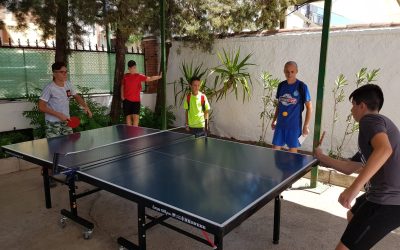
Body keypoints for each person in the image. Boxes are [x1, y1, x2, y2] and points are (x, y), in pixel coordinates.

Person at [314, 84, 400, 250]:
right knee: (352, 214)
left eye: (353, 105)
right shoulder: (378, 128)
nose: (352, 110)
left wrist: (353, 189)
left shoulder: (370, 120)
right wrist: (321, 156)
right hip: (382, 196)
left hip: (388, 202)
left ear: (362, 106)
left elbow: (384, 149)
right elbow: (349, 167)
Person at [38, 61, 92, 186]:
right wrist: (58, 115)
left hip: (67, 122)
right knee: (54, 150)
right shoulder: (49, 88)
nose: (65, 74)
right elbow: (41, 106)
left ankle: (70, 174)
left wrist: (85, 106)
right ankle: (48, 174)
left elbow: (76, 96)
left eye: (66, 71)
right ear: (54, 73)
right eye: (62, 72)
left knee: (69, 148)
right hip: (53, 124)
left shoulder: (68, 84)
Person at [271, 61, 312, 153]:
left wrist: (306, 126)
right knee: (274, 153)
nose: (289, 74)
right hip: (280, 125)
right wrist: (274, 120)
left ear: (296, 71)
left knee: (293, 155)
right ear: (284, 71)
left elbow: (309, 107)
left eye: (292, 71)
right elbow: (279, 105)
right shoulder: (281, 85)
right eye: (287, 71)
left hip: (294, 126)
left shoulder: (302, 86)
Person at [121, 60, 162, 126]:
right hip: (127, 100)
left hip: (136, 101)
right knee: (128, 118)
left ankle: (135, 134)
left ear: (135, 67)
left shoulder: (139, 76)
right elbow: (122, 86)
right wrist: (122, 96)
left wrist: (159, 77)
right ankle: (129, 134)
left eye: (134, 68)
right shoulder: (125, 76)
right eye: (131, 68)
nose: (133, 69)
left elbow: (150, 78)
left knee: (136, 118)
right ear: (128, 68)